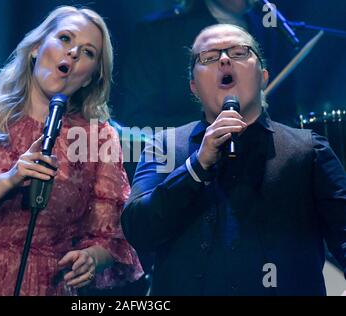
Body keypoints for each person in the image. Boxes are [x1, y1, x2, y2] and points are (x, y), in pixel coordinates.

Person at [0, 5, 143, 296]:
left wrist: (92, 258)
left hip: (47, 285)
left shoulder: (98, 139)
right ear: (35, 48)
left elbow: (112, 237)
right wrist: (10, 178)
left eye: (88, 52)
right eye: (65, 39)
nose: (73, 53)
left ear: (91, 77)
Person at [121, 24, 346, 295]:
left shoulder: (308, 150)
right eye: (209, 57)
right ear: (193, 87)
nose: (225, 59)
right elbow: (139, 232)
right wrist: (195, 167)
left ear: (263, 76)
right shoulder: (164, 146)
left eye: (239, 52)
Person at [114, 0, 295, 130]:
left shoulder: (271, 30)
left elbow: (286, 111)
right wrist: (214, 123)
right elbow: (137, 122)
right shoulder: (157, 33)